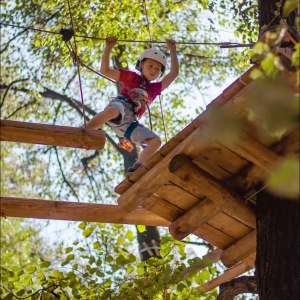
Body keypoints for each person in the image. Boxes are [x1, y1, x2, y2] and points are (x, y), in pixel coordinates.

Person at [86, 36, 179, 174]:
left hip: (131, 122)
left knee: (155, 143)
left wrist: (172, 50)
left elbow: (174, 74)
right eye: (150, 66)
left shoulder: (155, 89)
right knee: (112, 111)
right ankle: (85, 132)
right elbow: (105, 71)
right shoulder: (131, 77)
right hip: (121, 106)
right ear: (141, 65)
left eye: (158, 69)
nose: (153, 70)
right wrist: (108, 48)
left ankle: (137, 168)